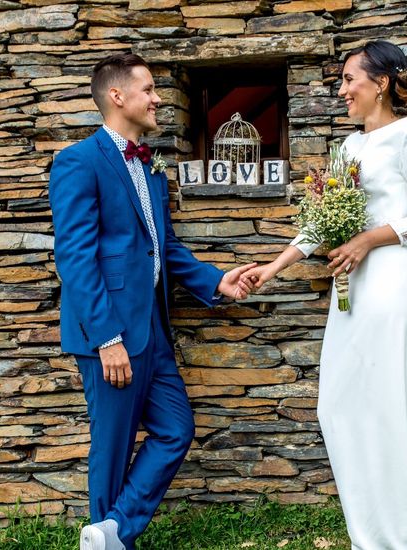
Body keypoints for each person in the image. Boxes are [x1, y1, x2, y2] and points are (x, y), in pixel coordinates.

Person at [241, 41, 407, 549]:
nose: (341, 91)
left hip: (392, 280)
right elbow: (321, 223)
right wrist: (271, 269)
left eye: (347, 80)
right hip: (352, 286)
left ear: (379, 83)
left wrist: (367, 238)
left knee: (390, 402)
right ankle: (375, 526)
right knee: (339, 403)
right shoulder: (347, 149)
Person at [48, 53, 255, 550]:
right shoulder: (79, 161)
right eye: (148, 89)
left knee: (175, 429)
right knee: (113, 448)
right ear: (117, 97)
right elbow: (75, 258)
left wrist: (215, 281)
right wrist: (107, 339)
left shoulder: (151, 166)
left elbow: (164, 246)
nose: (158, 98)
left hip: (154, 330)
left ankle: (112, 531)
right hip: (112, 334)